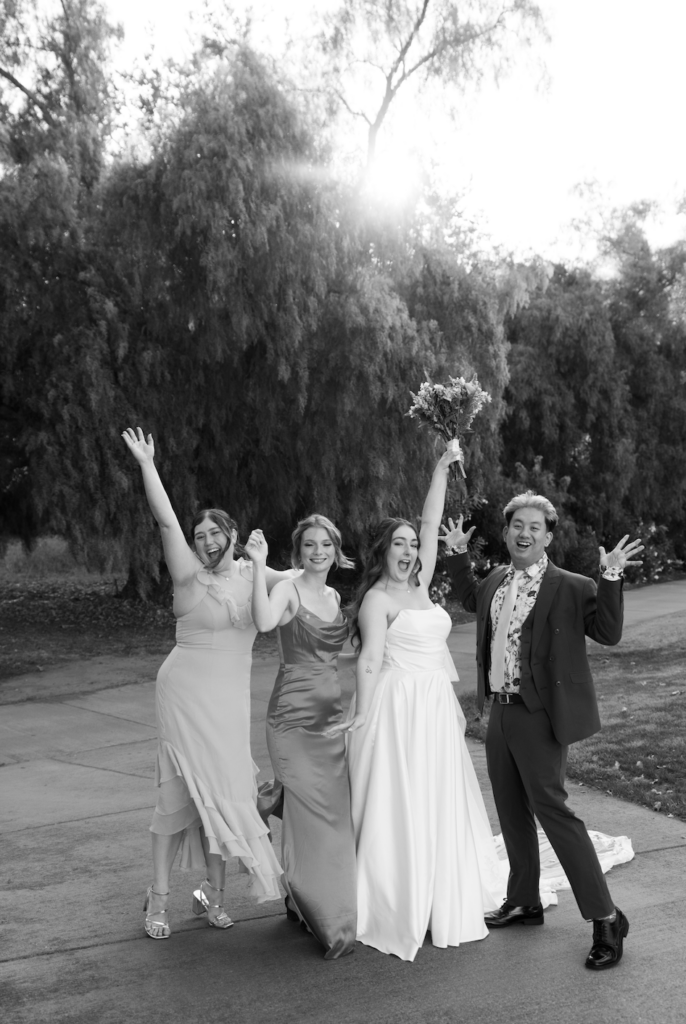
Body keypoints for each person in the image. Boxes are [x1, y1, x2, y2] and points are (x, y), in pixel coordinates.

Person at [442, 495, 643, 970]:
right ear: (507, 532)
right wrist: (456, 555)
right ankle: (524, 900)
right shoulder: (494, 579)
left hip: (540, 716)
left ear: (548, 536)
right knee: (510, 810)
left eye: (535, 526)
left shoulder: (572, 586)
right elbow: (470, 598)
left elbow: (609, 632)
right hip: (500, 713)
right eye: (516, 525)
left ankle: (607, 918)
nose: (524, 533)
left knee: (554, 813)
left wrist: (610, 576)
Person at [327, 443, 506, 961]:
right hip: (399, 709)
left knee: (438, 795)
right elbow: (367, 662)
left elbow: (431, 523)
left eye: (412, 544)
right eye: (399, 545)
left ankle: (442, 888)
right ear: (382, 552)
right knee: (400, 799)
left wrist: (440, 469)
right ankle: (401, 897)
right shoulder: (378, 600)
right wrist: (360, 715)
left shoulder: (422, 583)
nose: (410, 550)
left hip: (433, 706)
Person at [122, 427, 289, 940]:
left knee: (225, 791)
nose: (207, 541)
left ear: (233, 535)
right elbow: (166, 520)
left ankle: (214, 896)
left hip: (228, 702)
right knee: (176, 801)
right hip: (184, 692)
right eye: (200, 537)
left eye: (215, 533)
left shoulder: (254, 574)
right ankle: (158, 898)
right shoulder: (188, 575)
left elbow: (308, 578)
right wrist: (148, 464)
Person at [245, 515, 357, 960]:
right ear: (299, 550)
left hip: (330, 721)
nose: (317, 551)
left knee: (327, 816)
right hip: (291, 721)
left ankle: (301, 894)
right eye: (309, 544)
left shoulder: (334, 595)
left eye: (324, 544)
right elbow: (264, 620)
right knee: (308, 811)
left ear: (335, 549)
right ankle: (325, 914)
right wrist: (258, 565)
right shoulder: (287, 588)